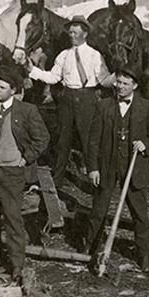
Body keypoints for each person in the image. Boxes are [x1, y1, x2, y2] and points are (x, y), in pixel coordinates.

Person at [83, 69, 149, 274]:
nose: (120, 87)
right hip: (107, 166)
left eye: (125, 84)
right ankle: (90, 249)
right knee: (98, 210)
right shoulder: (104, 106)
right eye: (118, 82)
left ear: (135, 86)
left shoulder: (145, 107)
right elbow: (93, 141)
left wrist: (146, 145)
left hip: (134, 167)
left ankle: (143, 255)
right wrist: (93, 168)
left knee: (139, 214)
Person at [0, 66, 50, 277]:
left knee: (13, 218)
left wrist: (26, 158)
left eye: (1, 87)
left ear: (13, 90)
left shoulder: (26, 110)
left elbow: (42, 138)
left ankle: (17, 264)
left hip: (12, 173)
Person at [25, 17, 111, 190]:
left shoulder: (95, 55)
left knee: (88, 139)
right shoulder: (64, 55)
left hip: (87, 98)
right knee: (63, 140)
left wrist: (119, 75)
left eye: (75, 32)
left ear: (85, 34)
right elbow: (53, 77)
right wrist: (32, 70)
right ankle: (57, 180)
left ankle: (95, 180)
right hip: (67, 99)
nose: (72, 35)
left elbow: (104, 80)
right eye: (70, 32)